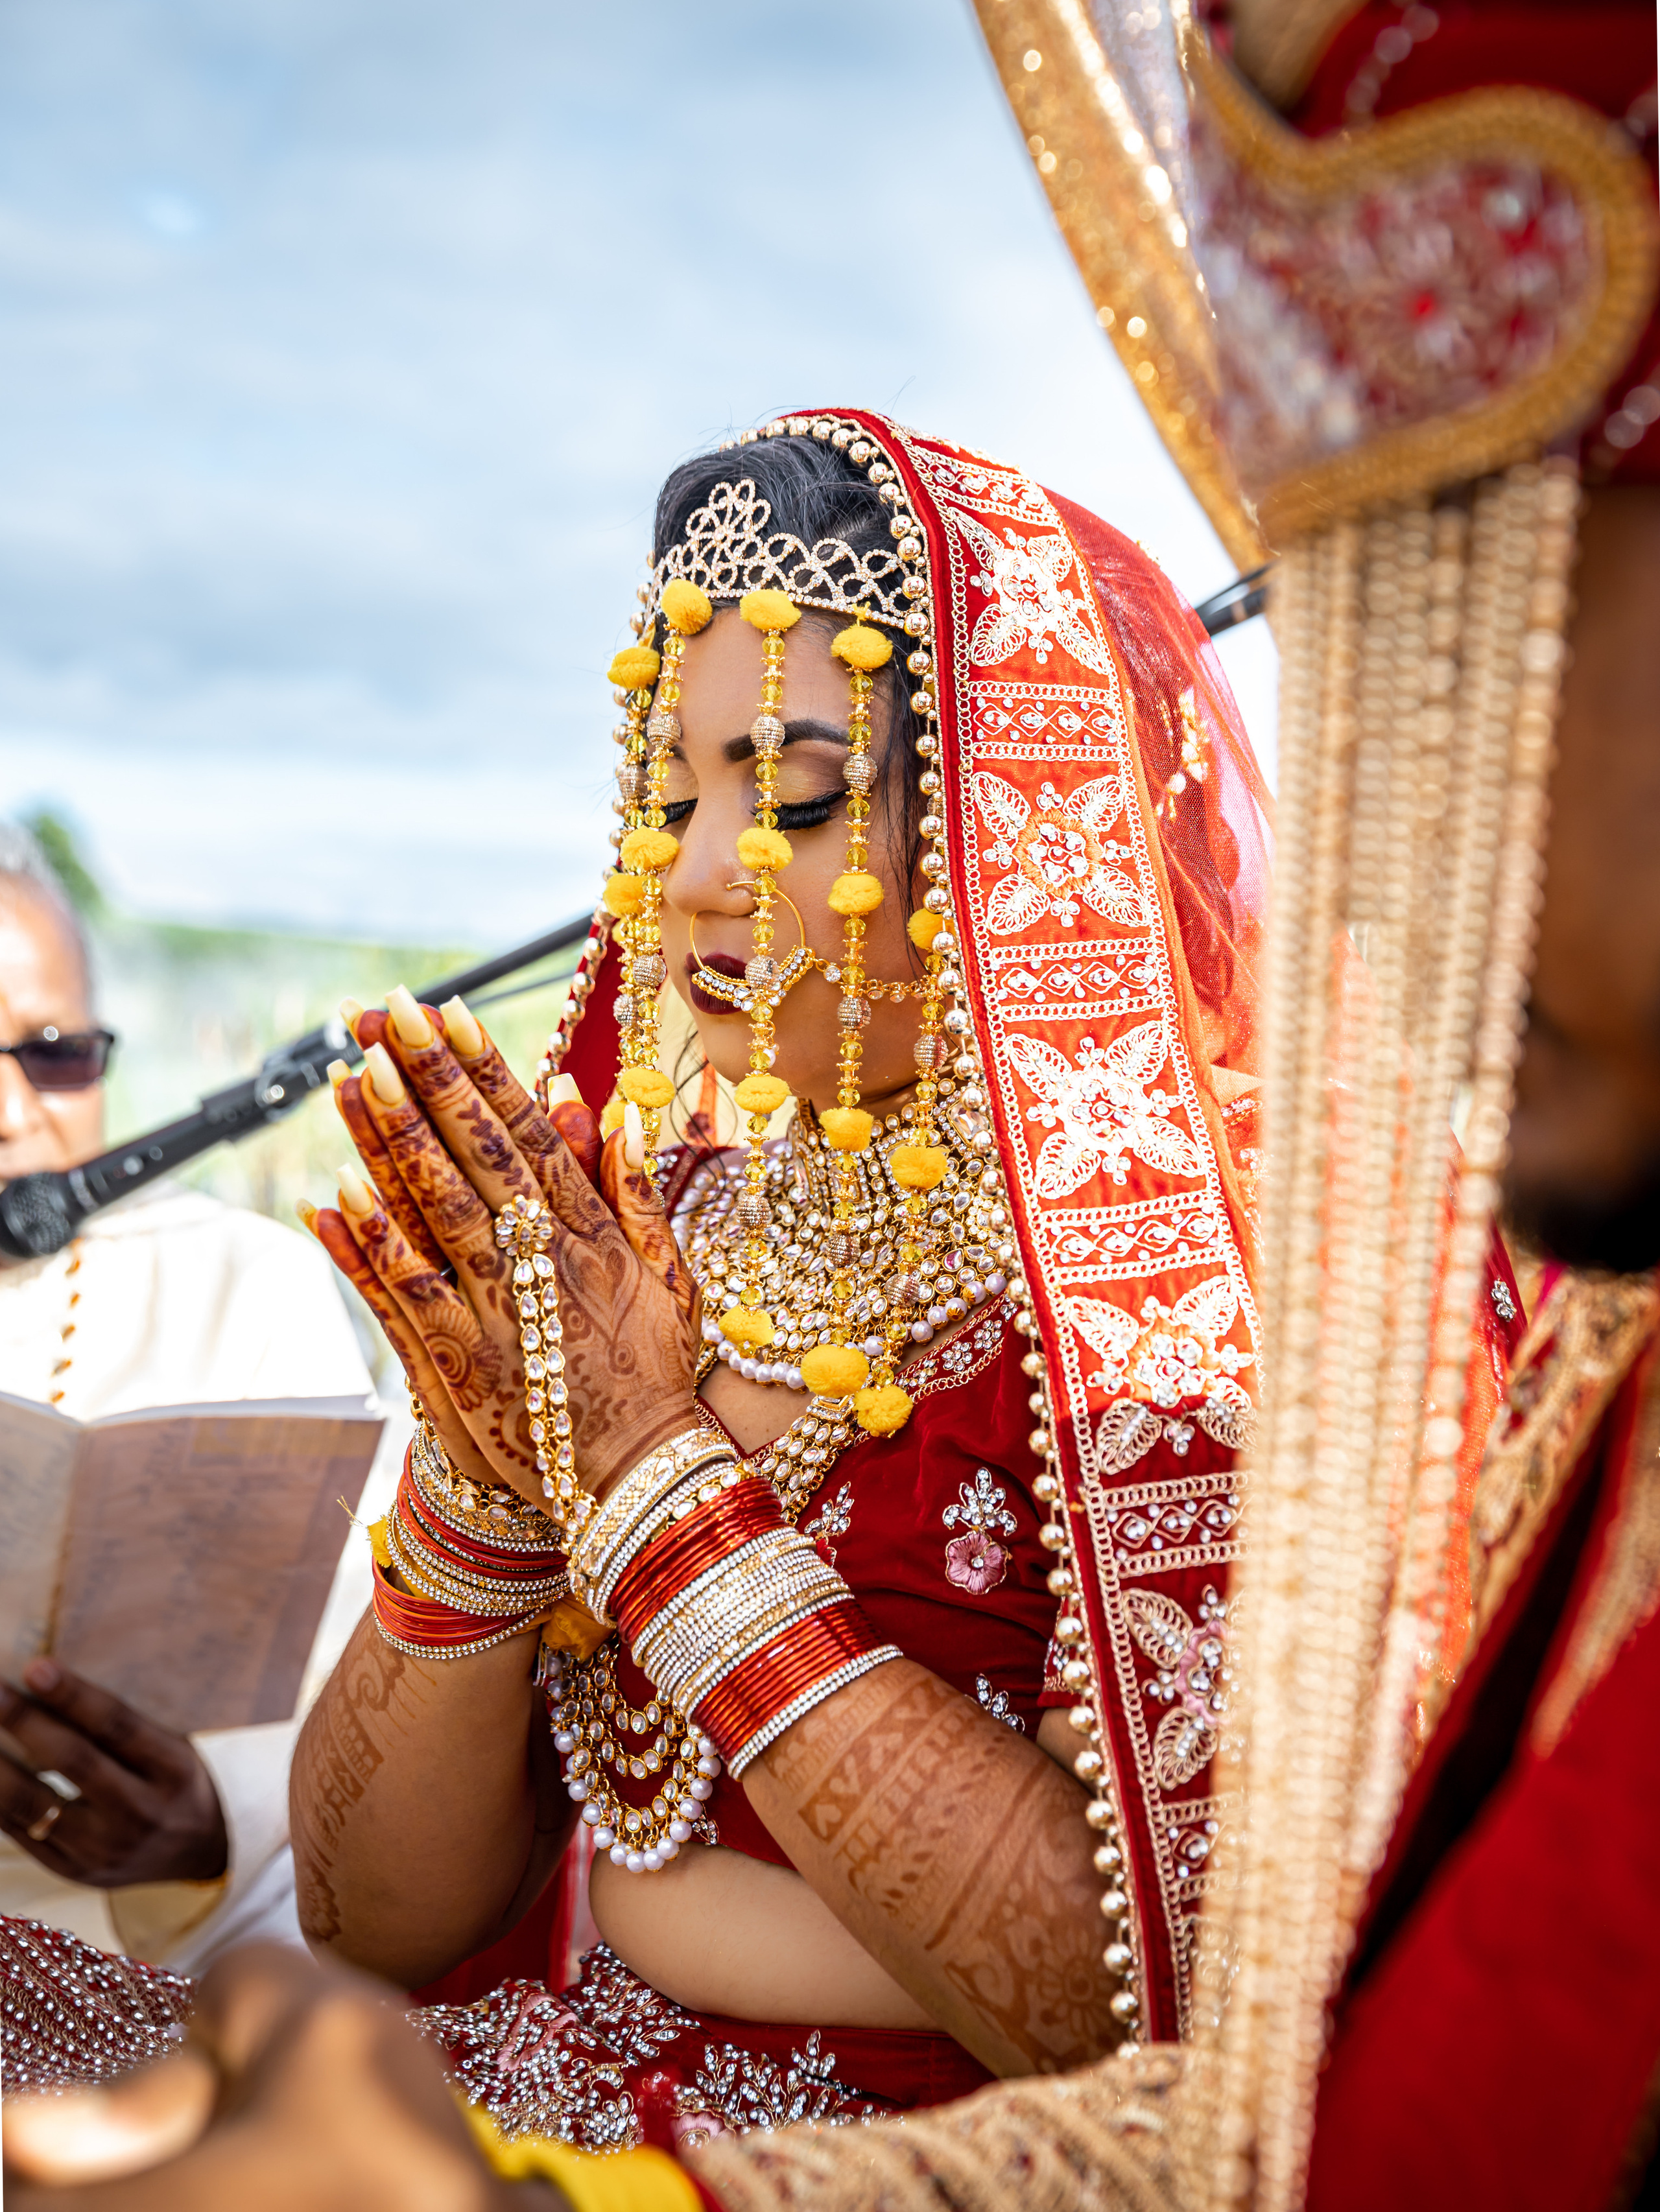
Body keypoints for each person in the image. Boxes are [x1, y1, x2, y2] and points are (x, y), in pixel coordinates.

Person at [0, 822, 376, 1976]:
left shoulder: (243, 1286)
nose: (15, 1111)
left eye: (55, 1054)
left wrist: (213, 1822)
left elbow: (364, 1690)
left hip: (150, 1960)